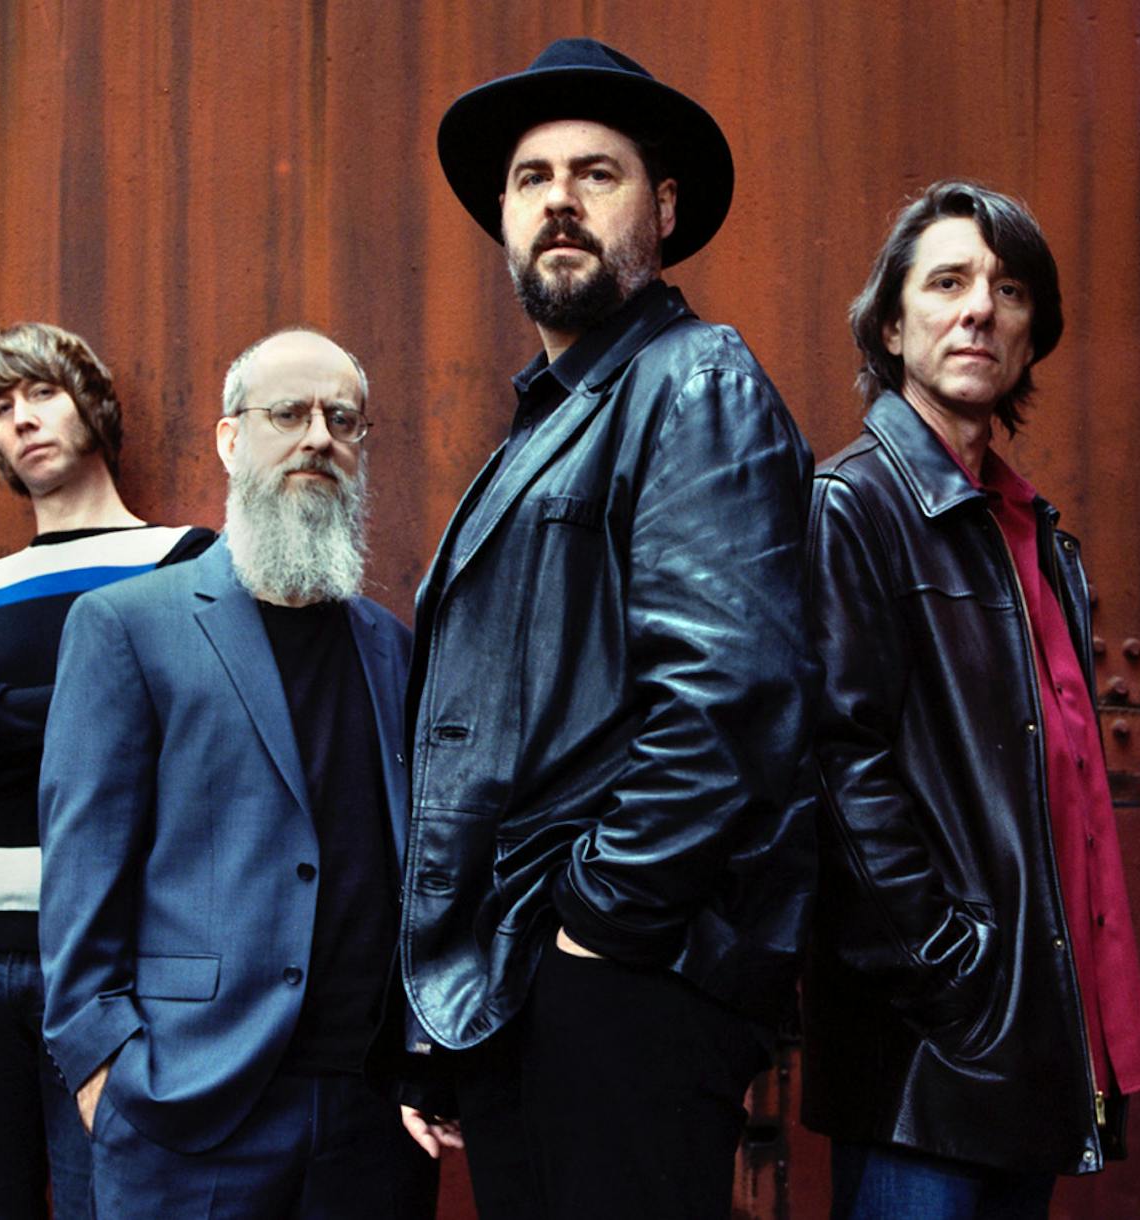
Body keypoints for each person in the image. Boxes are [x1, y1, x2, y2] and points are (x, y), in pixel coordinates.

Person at [398, 37, 819, 1219]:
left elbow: (729, 696)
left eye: (599, 172)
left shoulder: (692, 380)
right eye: (532, 180)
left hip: (616, 972)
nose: (561, 201)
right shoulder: (544, 426)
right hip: (534, 979)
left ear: (664, 208)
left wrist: (599, 925)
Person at [800, 181, 1140, 1219]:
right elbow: (838, 760)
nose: (979, 310)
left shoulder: (1030, 532)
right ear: (892, 321)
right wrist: (958, 972)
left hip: (1019, 1048)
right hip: (930, 1058)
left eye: (1007, 290)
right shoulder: (855, 503)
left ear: (1031, 332)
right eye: (948, 281)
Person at [37, 329, 435, 1218]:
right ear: (228, 439)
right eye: (287, 413)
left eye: (343, 420)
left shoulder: (394, 650)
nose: (318, 438)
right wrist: (108, 1073)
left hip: (371, 1124)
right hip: (190, 1113)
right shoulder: (127, 626)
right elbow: (80, 872)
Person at [0, 321, 212, 1219]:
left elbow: (180, 736)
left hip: (109, 962)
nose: (20, 420)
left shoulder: (181, 562)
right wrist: (84, 707)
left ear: (93, 409)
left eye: (42, 394)